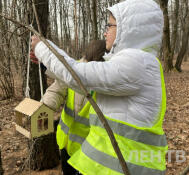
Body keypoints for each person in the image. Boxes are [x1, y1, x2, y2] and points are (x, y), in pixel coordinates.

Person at [31, 0, 167, 174]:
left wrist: (42, 47)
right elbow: (77, 80)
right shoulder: (137, 63)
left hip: (127, 167)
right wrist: (46, 62)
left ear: (129, 29)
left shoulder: (137, 63)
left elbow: (77, 75)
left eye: (110, 26)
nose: (105, 32)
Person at [41, 40, 106, 175]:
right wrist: (45, 108)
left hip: (91, 152)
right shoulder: (73, 70)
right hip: (66, 145)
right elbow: (56, 90)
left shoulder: (108, 83)